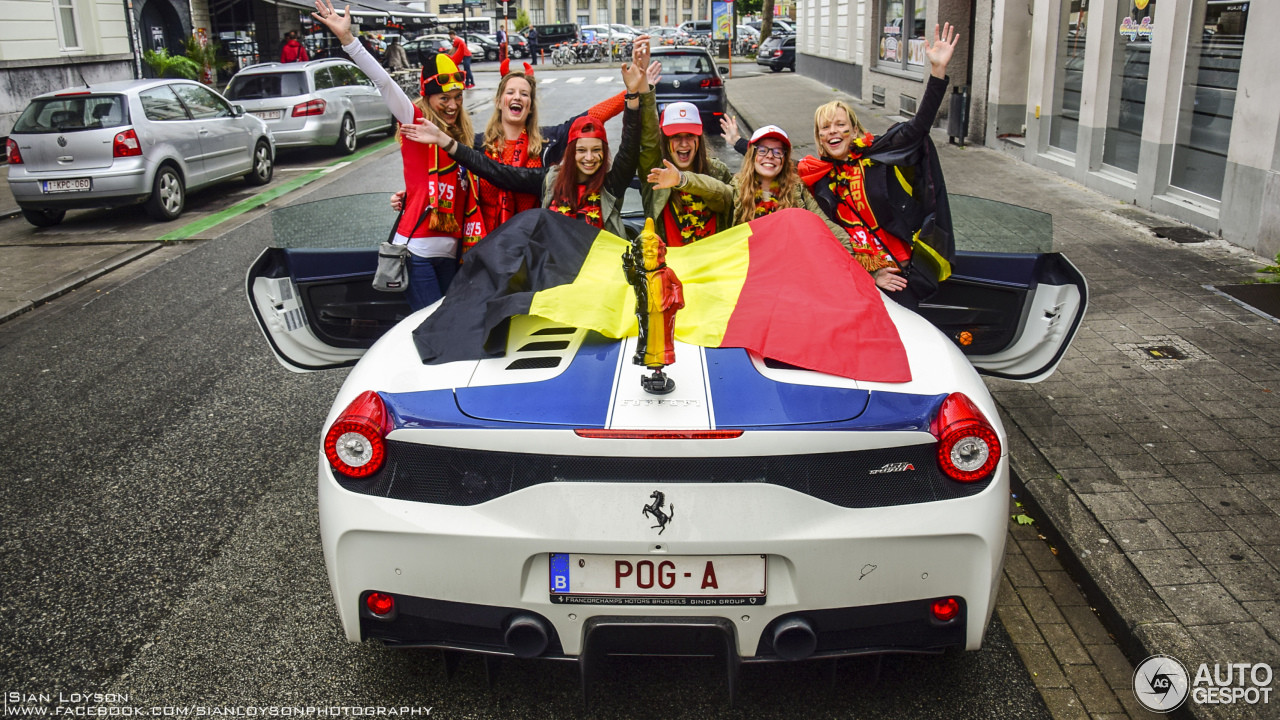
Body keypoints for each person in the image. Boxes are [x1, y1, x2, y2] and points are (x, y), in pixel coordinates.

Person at [312, 0, 484, 311]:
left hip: (450, 251)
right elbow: (384, 83)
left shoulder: (461, 141)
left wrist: (410, 194)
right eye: (444, 98)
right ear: (428, 98)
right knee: (430, 329)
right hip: (416, 251)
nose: (452, 105)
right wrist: (349, 40)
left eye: (457, 98)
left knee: (448, 325)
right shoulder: (416, 123)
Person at [402, 46, 649, 238]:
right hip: (482, 244)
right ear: (499, 101)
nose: (517, 97)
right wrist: (413, 194)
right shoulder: (474, 145)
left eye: (524, 94)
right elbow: (448, 180)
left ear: (530, 105)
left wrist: (631, 92)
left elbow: (592, 118)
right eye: (510, 92)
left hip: (530, 245)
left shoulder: (548, 142)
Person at [792, 23, 958, 310]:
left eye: (840, 124)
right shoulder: (816, 174)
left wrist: (937, 73)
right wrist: (740, 143)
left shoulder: (880, 155)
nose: (833, 131)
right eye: (825, 127)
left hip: (897, 270)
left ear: (854, 130)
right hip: (852, 275)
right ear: (819, 137)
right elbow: (773, 161)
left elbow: (918, 127)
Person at [646, 124, 854, 251]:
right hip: (747, 276)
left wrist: (864, 264)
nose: (769, 157)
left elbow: (825, 227)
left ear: (784, 158)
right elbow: (716, 190)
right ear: (752, 154)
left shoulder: (797, 191)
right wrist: (682, 179)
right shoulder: (737, 188)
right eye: (763, 150)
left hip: (788, 270)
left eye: (777, 152)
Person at [639, 98, 734, 246]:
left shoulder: (717, 170)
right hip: (670, 265)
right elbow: (646, 138)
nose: (683, 143)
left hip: (714, 265)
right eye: (675, 136)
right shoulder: (655, 172)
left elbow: (728, 200)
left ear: (699, 139)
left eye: (690, 135)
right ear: (664, 140)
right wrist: (644, 92)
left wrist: (682, 180)